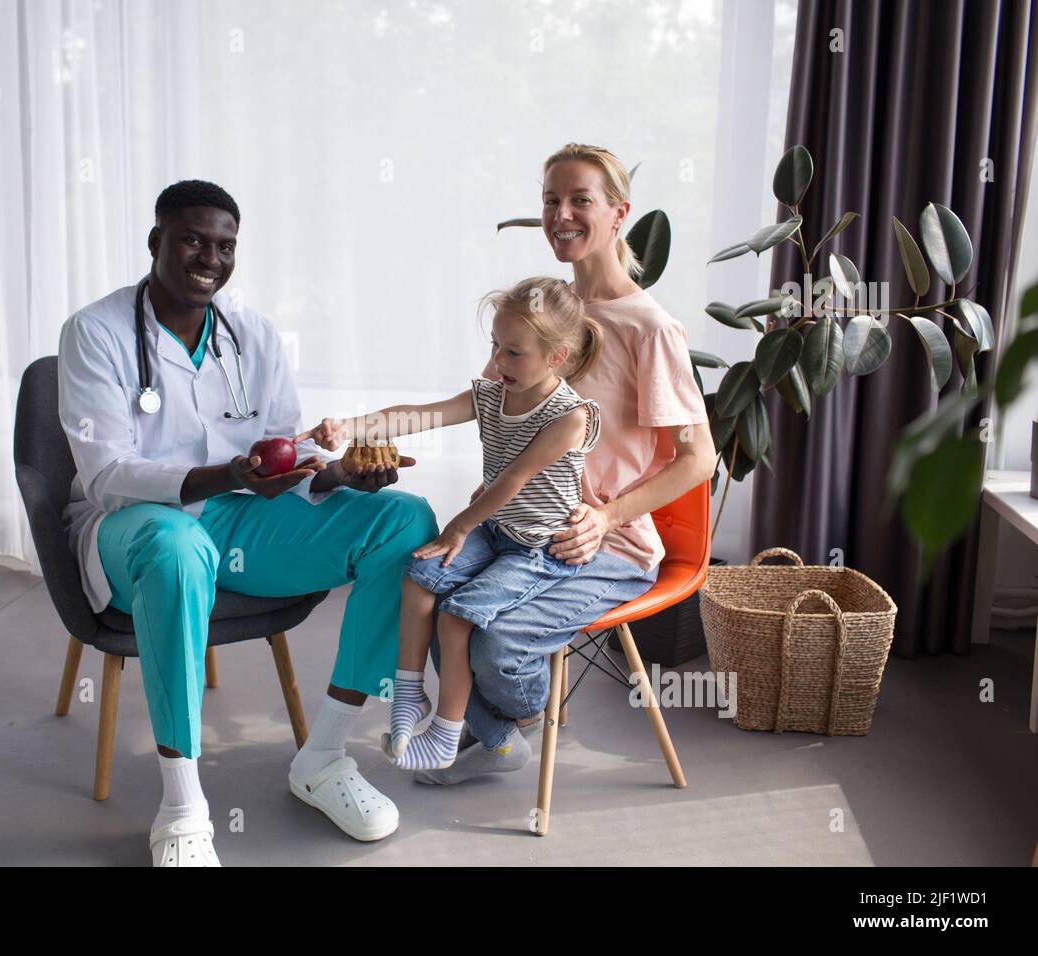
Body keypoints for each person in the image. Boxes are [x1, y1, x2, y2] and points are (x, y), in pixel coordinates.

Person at [57, 180, 438, 866]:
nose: (210, 257)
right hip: (137, 528)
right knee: (177, 550)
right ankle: (182, 805)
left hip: (239, 523)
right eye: (193, 241)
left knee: (403, 519)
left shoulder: (252, 333)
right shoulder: (96, 332)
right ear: (157, 243)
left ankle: (322, 757)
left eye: (225, 245)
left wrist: (338, 474)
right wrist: (229, 475)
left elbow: (285, 450)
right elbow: (106, 474)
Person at [412, 144, 718, 786]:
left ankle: (502, 732)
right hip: (518, 531)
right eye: (551, 199)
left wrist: (606, 517)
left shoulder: (650, 328)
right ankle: (486, 740)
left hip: (603, 548)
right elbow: (485, 401)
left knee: (492, 639)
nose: (562, 214)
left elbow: (699, 460)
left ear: (618, 214)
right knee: (422, 579)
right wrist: (367, 428)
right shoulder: (548, 314)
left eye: (581, 199)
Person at [304, 277, 604, 772]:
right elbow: (418, 415)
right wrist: (351, 426)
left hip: (542, 549)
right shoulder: (491, 395)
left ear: (557, 357)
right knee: (419, 578)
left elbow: (512, 480)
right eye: (495, 347)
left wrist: (459, 527)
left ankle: (446, 732)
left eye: (514, 352)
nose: (499, 362)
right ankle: (408, 694)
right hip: (496, 531)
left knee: (457, 613)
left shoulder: (570, 416)